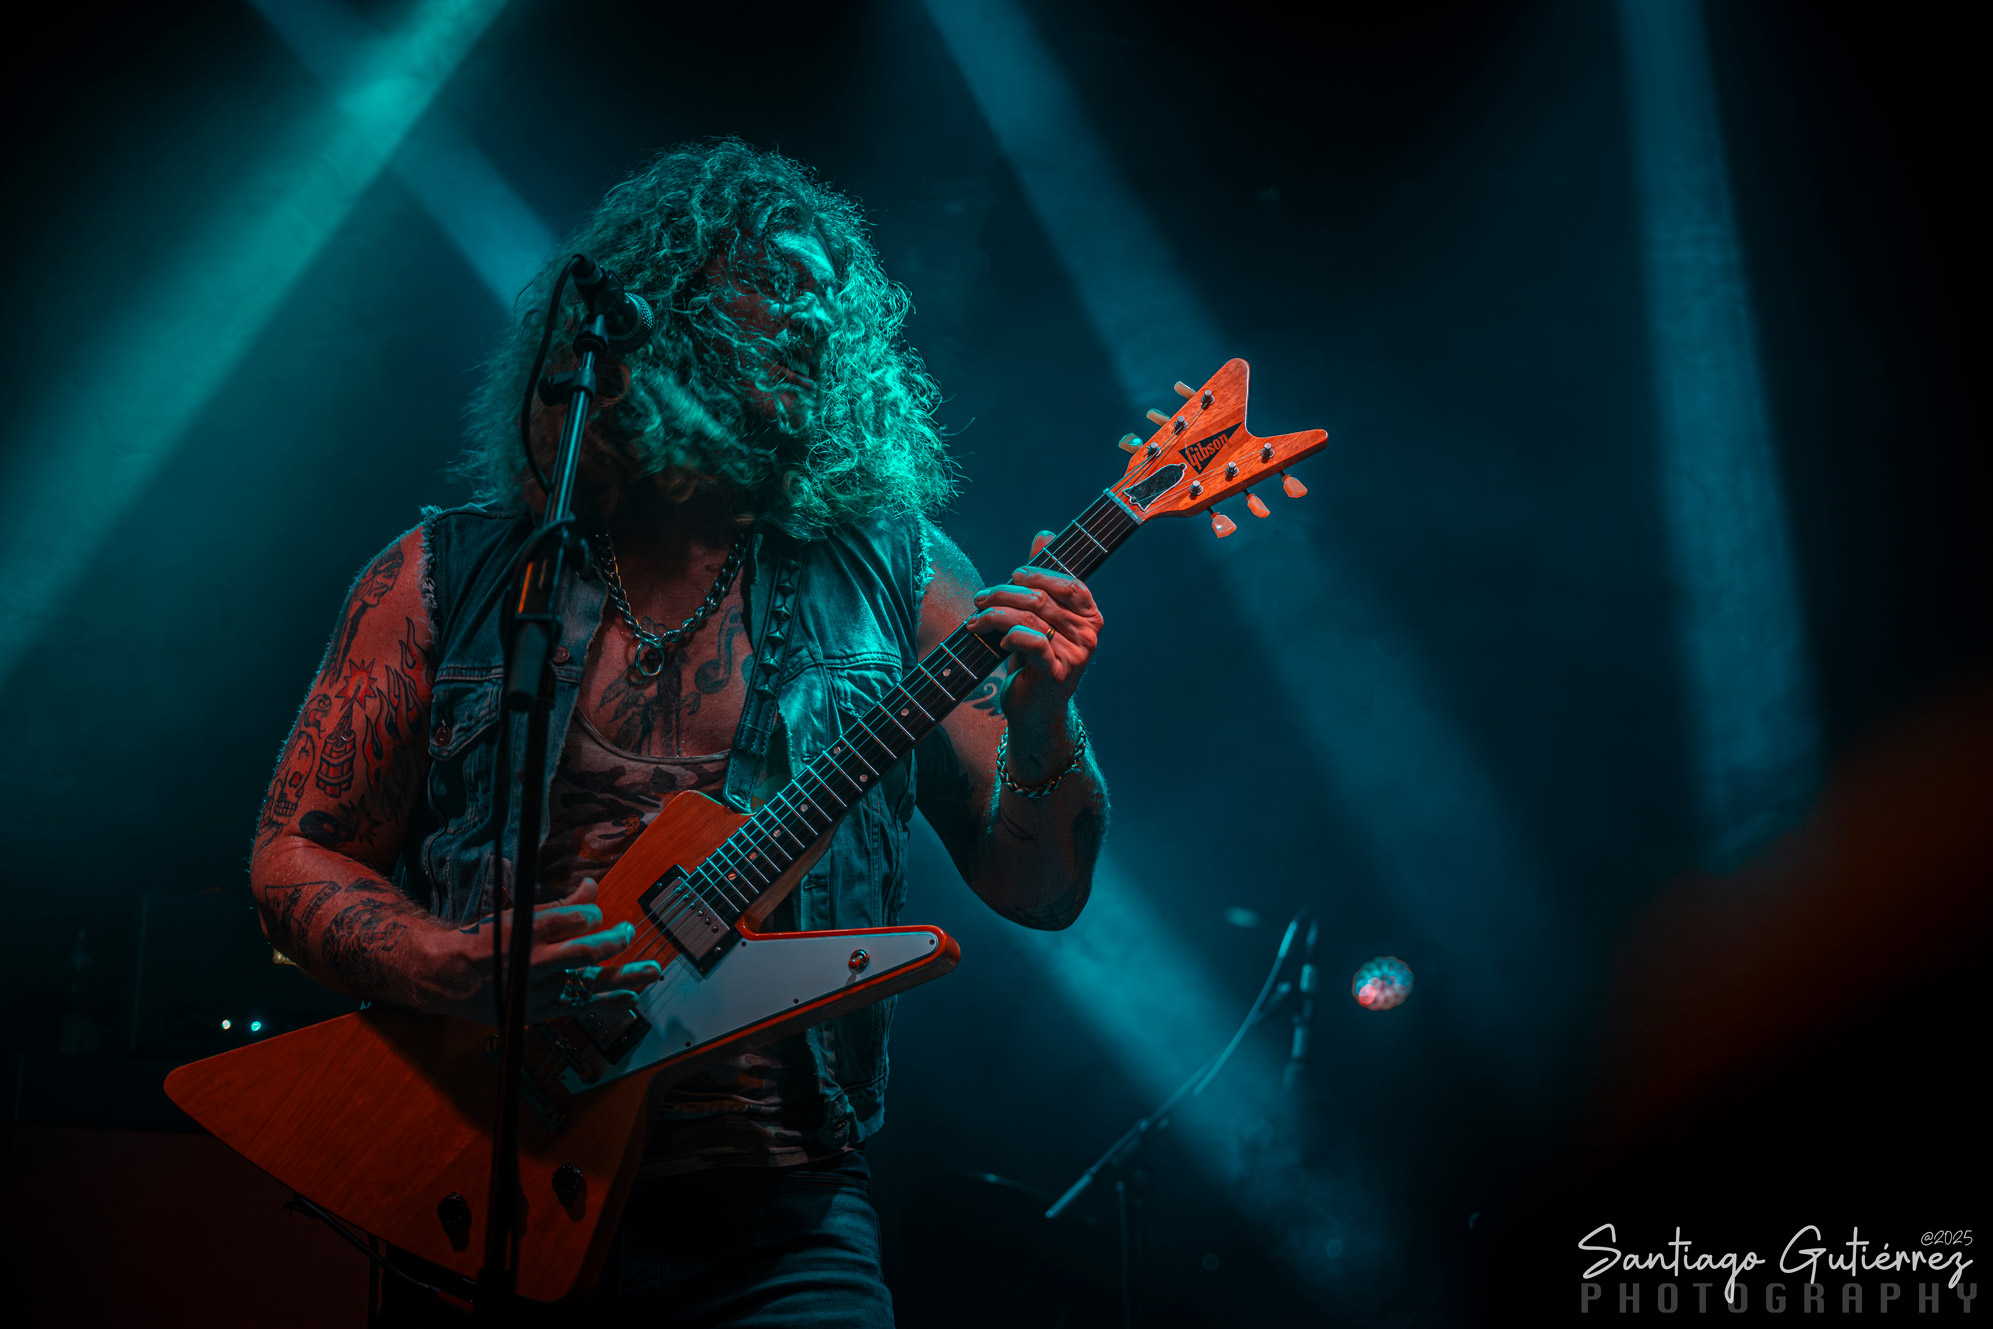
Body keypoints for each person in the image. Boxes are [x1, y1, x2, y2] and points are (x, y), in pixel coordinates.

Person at [248, 138, 1110, 1326]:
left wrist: (1047, 718)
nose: (814, 316)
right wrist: (449, 966)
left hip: (779, 1217)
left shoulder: (904, 573)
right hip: (483, 1180)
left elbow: (1041, 890)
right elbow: (294, 855)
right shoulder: (443, 575)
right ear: (651, 313)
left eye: (831, 295)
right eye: (775, 285)